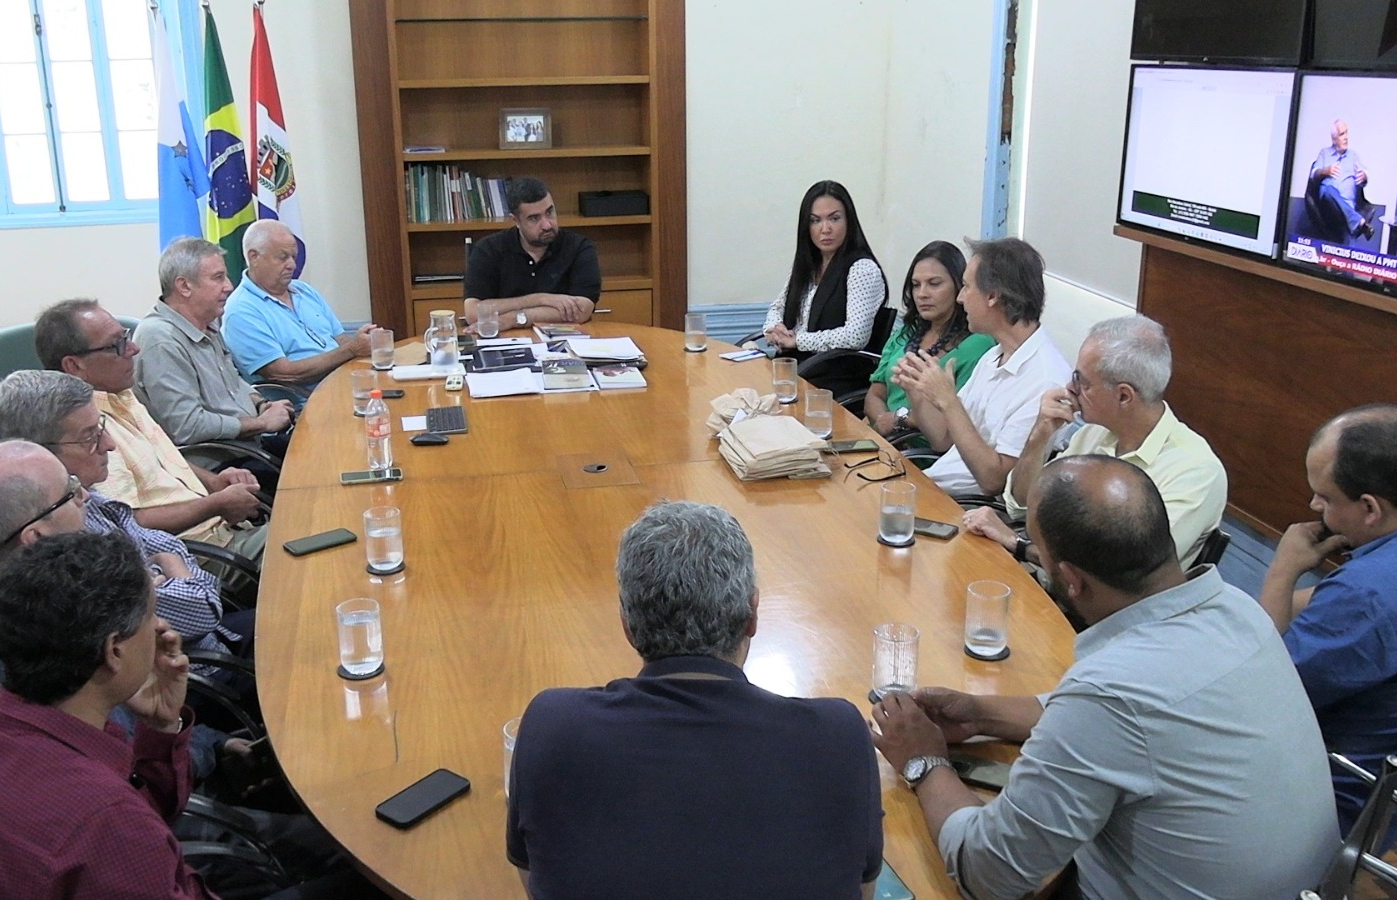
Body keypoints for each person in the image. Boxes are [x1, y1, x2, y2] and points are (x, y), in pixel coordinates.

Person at [871, 456, 1337, 900]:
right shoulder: (1238, 610)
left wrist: (923, 762)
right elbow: (1130, 719)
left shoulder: (1110, 693)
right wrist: (981, 714)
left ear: (1071, 580)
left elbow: (989, 874)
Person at [507, 501, 883, 899]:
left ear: (627, 625)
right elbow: (863, 887)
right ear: (752, 615)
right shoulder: (838, 735)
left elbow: (535, 878)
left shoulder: (552, 726)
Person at [0, 439, 238, 779]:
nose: (85, 497)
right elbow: (124, 771)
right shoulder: (35, 637)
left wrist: (207, 743)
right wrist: (215, 750)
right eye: (69, 492)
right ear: (36, 537)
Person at [0, 532, 215, 898]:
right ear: (114, 650)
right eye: (151, 613)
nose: (159, 628)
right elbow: (123, 833)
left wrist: (158, 727)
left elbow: (142, 817)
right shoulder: (104, 818)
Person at [1258, 404, 1397, 846]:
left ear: (1369, 508)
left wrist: (1282, 572)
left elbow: (1257, 692)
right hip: (1386, 799)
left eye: (1324, 498)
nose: (1313, 506)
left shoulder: (1370, 596)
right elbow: (1334, 606)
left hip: (1311, 811)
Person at [0, 370, 254, 673]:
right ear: (38, 453)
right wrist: (173, 568)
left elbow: (166, 548)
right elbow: (200, 611)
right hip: (193, 677)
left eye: (101, 427)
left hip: (219, 641)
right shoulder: (63, 533)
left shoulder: (88, 495)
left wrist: (168, 567)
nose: (109, 444)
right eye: (90, 436)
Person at [962, 315, 1227, 567]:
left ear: (1124, 396)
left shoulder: (1196, 471)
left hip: (1104, 611)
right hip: (1053, 581)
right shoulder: (1094, 434)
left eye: (1082, 381)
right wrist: (1039, 437)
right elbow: (1021, 506)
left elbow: (1120, 570)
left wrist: (1016, 544)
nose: (1070, 388)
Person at [36, 298, 267, 559]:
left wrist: (215, 483)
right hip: (199, 554)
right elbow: (126, 523)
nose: (133, 349)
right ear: (74, 366)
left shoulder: (121, 394)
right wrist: (214, 505)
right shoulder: (86, 433)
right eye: (117, 345)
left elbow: (165, 459)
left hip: (224, 529)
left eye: (126, 337)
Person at [891, 237, 1071, 497]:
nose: (961, 298)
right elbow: (942, 440)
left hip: (966, 510)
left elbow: (992, 481)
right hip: (933, 487)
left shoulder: (1045, 380)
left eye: (966, 287)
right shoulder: (994, 356)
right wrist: (916, 391)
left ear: (992, 296)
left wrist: (948, 400)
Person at [134, 237, 297, 491]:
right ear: (184, 286)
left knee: (321, 448)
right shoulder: (160, 340)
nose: (229, 286)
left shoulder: (206, 322)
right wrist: (263, 423)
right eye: (218, 278)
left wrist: (263, 404)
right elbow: (187, 427)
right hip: (217, 465)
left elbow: (234, 381)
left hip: (247, 445)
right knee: (310, 483)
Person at [862, 240, 994, 442]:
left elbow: (956, 419)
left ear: (959, 287)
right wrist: (882, 422)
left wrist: (898, 419)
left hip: (926, 453)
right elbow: (875, 395)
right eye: (916, 285)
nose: (922, 294)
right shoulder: (908, 331)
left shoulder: (977, 344)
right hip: (884, 442)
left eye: (934, 284)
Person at [222, 218, 378, 388]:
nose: (292, 265)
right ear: (254, 257)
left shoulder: (304, 290)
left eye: (293, 257)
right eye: (282, 257)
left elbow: (340, 339)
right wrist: (352, 350)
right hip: (306, 403)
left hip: (345, 385)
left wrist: (364, 342)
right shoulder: (241, 310)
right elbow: (283, 373)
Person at [761, 181, 889, 387]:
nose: (825, 229)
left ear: (849, 221)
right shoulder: (809, 264)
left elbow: (855, 336)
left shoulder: (862, 269)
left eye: (834, 218)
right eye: (815, 221)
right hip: (797, 369)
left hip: (832, 377)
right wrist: (774, 330)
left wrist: (798, 340)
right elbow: (778, 306)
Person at [463, 176, 600, 332]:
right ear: (516, 221)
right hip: (504, 343)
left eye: (550, 212)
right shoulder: (488, 249)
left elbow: (582, 310)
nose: (547, 224)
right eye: (534, 218)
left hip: (563, 344)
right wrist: (540, 299)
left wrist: (514, 318)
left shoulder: (579, 247)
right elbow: (473, 314)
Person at [1309, 118, 1373, 240]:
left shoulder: (1353, 156)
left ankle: (1354, 221)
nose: (1346, 137)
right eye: (1341, 134)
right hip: (1329, 207)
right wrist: (1325, 171)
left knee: (1346, 255)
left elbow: (1364, 172)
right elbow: (1313, 174)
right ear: (1334, 139)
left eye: (1346, 133)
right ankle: (1359, 223)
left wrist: (1364, 176)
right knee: (1328, 189)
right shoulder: (1324, 153)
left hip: (1348, 206)